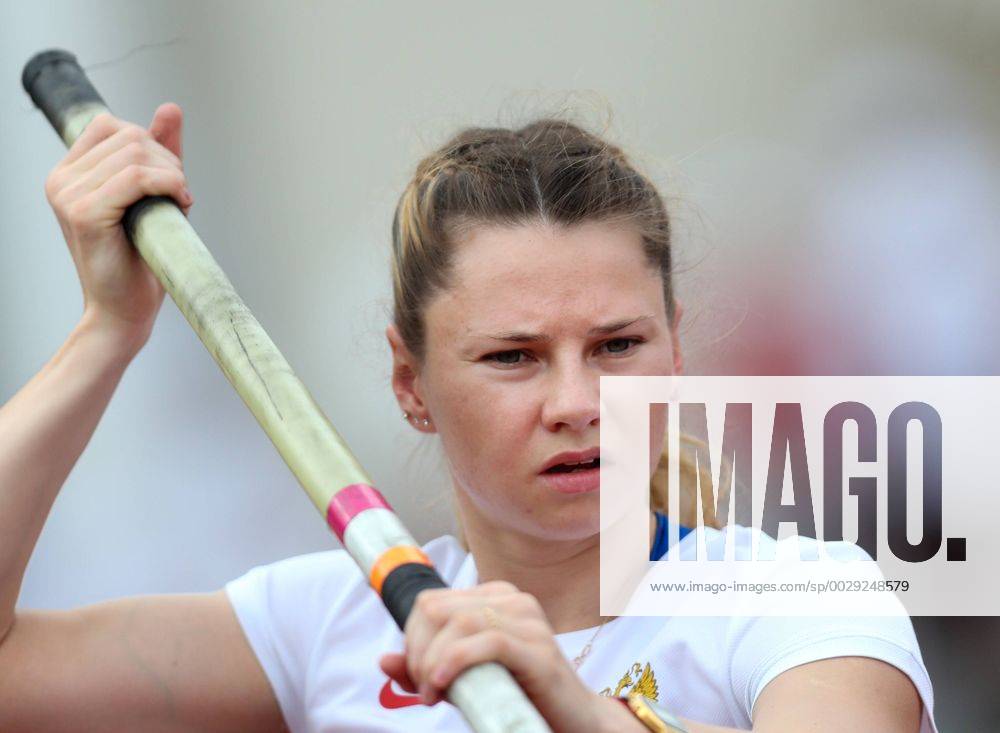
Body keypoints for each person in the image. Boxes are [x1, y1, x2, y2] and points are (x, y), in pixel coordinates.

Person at [0, 102, 936, 733]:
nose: (577, 404)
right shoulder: (327, 623)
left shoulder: (801, 597)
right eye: (512, 357)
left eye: (617, 346)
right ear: (411, 385)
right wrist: (105, 333)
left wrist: (572, 704)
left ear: (676, 351)